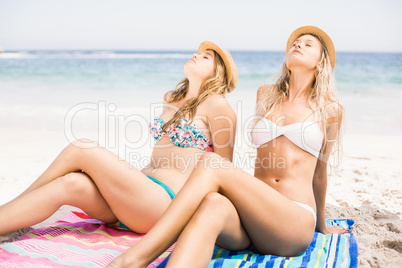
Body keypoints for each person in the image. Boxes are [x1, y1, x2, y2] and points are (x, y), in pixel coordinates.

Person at [107, 26, 349, 268]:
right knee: (212, 203)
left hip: (292, 221)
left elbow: (319, 173)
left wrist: (322, 225)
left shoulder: (330, 110)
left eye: (308, 45)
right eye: (296, 42)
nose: (298, 45)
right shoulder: (266, 95)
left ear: (320, 62)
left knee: (212, 163)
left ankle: (134, 259)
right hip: (252, 217)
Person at [0, 41, 238, 236]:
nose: (196, 55)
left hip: (164, 205)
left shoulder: (218, 106)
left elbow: (224, 171)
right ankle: (7, 220)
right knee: (71, 183)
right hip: (134, 201)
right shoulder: (172, 99)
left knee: (81, 147)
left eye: (206, 57)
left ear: (218, 73)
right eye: (198, 53)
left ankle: (12, 204)